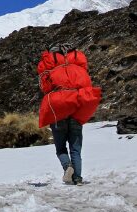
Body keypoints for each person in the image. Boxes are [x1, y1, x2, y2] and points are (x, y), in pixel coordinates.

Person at [37, 43, 102, 185]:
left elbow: (45, 87)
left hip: (58, 107)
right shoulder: (78, 66)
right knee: (75, 148)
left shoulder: (51, 67)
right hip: (77, 106)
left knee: (60, 148)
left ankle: (67, 167)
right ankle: (77, 178)